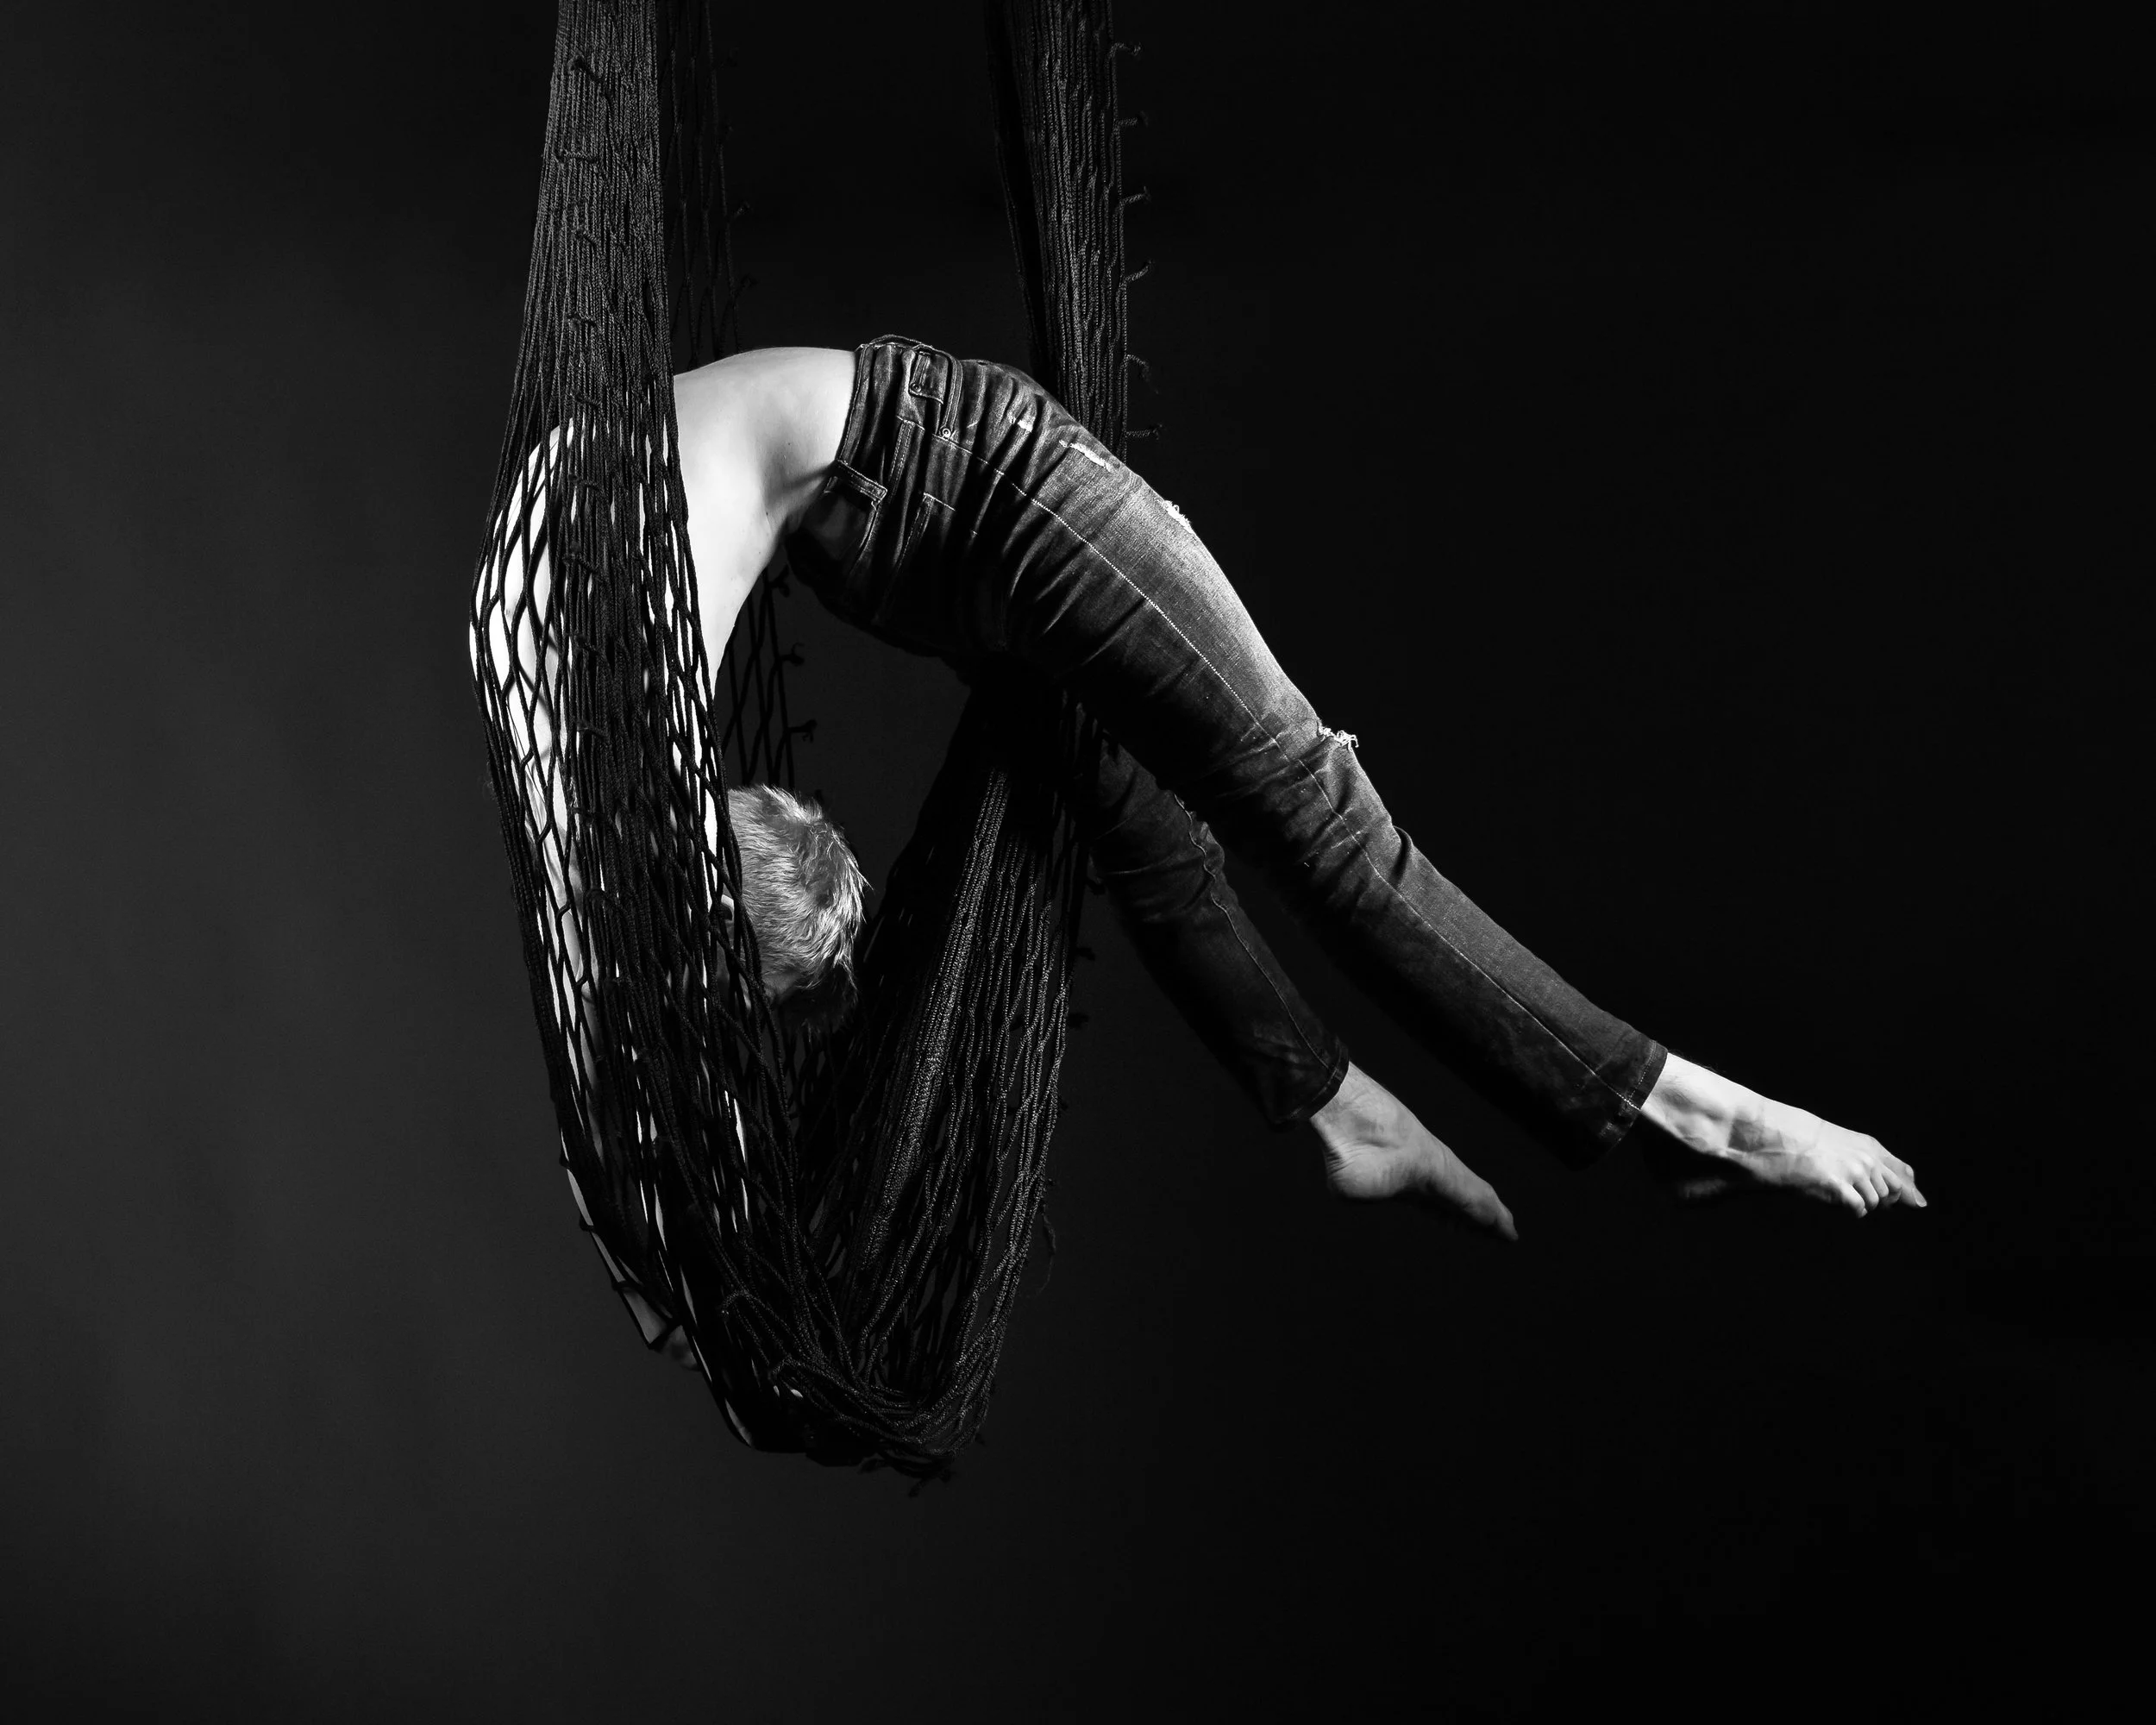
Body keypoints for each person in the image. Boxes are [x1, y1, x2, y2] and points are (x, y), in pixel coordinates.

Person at [663, 336, 1927, 1239]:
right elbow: (616, 989)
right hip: (935, 551)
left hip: (978, 484)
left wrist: (666, 1219)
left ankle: (1689, 1110)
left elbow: (625, 960)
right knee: (1152, 844)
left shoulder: (615, 575)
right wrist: (665, 1244)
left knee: (1321, 824)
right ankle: (1341, 1109)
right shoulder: (611, 725)